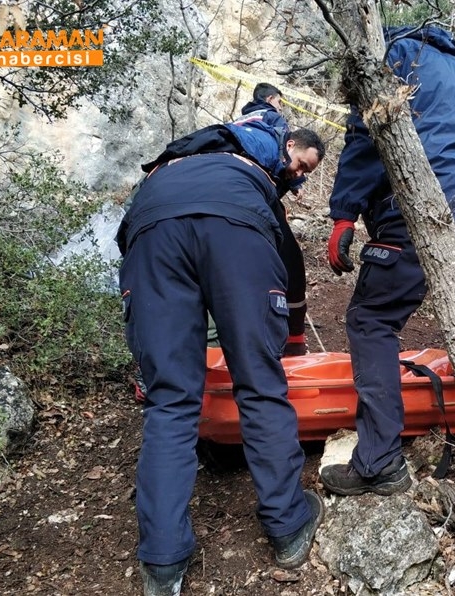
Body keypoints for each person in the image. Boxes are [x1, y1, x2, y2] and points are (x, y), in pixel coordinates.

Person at [116, 120, 326, 595]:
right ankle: (288, 526)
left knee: (169, 401)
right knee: (260, 385)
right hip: (235, 228)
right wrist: (292, 337)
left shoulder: (186, 159)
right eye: (300, 166)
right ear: (288, 145)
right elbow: (289, 262)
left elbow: (127, 233)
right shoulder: (259, 168)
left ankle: (163, 563)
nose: (298, 175)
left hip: (151, 233)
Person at [320, 25, 455, 496]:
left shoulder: (396, 56)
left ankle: (379, 461)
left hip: (424, 204)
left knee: (371, 319)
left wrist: (344, 213)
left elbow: (368, 134)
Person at [233, 82, 310, 356]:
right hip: (257, 199)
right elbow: (281, 154)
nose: (281, 107)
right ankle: (292, 339)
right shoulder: (272, 118)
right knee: (289, 262)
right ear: (271, 99)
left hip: (235, 193)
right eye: (280, 101)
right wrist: (296, 184)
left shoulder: (242, 120)